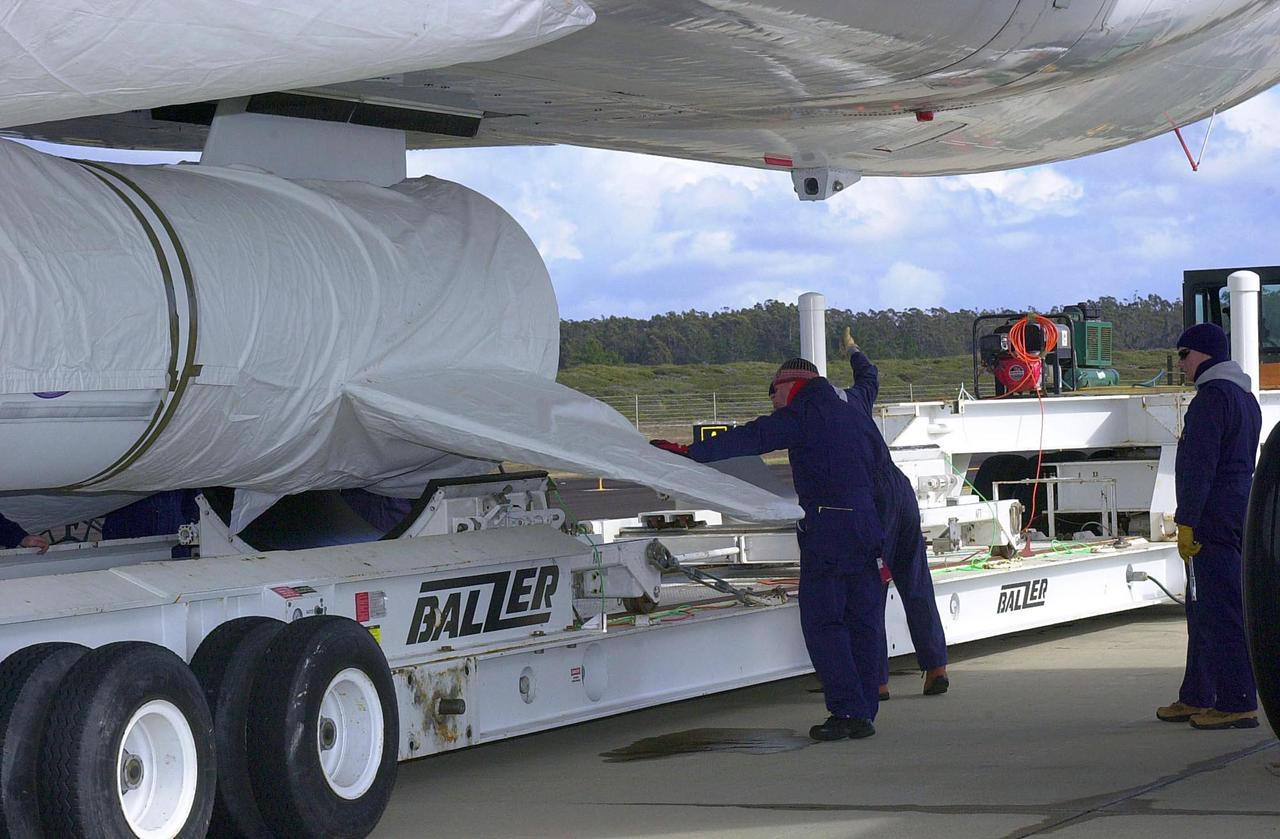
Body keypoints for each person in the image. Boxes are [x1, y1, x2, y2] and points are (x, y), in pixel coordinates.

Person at [652, 357, 886, 741]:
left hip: (830, 526)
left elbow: (753, 436)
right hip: (868, 522)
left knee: (824, 621)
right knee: (863, 618)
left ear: (790, 383)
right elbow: (879, 453)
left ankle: (847, 710)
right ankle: (864, 710)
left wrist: (689, 452)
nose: (774, 402)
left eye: (773, 392)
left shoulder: (807, 409)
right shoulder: (853, 407)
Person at [1156, 322, 1261, 730]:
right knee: (1203, 609)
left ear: (1203, 355)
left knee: (1219, 610)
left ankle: (1236, 700)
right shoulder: (1244, 397)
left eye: (1184, 355)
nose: (1181, 365)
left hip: (1213, 517)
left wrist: (1187, 521)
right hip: (1237, 509)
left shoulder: (1211, 400)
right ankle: (1198, 693)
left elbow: (1199, 468)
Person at [838, 328, 949, 698]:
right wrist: (853, 349)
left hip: (873, 497)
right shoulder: (855, 398)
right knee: (915, 581)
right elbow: (870, 375)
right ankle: (936, 667)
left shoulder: (816, 415)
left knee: (871, 587)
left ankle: (877, 680)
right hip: (900, 489)